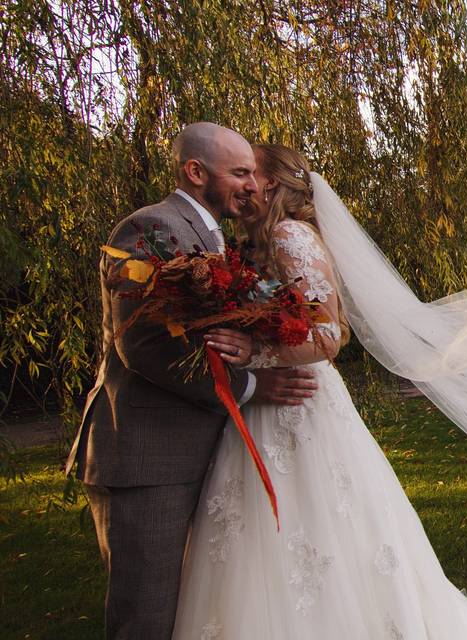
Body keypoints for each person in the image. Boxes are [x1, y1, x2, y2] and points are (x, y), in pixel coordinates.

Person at [173, 143, 467, 639]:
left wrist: (252, 346)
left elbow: (328, 337)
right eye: (236, 174)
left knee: (307, 523)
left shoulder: (290, 236)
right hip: (278, 401)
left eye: (250, 174)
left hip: (296, 402)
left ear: (274, 183)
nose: (242, 186)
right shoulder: (267, 241)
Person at [67, 124, 320, 640]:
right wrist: (251, 386)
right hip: (147, 457)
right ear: (196, 172)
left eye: (254, 172)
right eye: (241, 173)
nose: (254, 185)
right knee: (148, 617)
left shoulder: (214, 237)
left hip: (193, 450)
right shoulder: (147, 230)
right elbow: (143, 346)